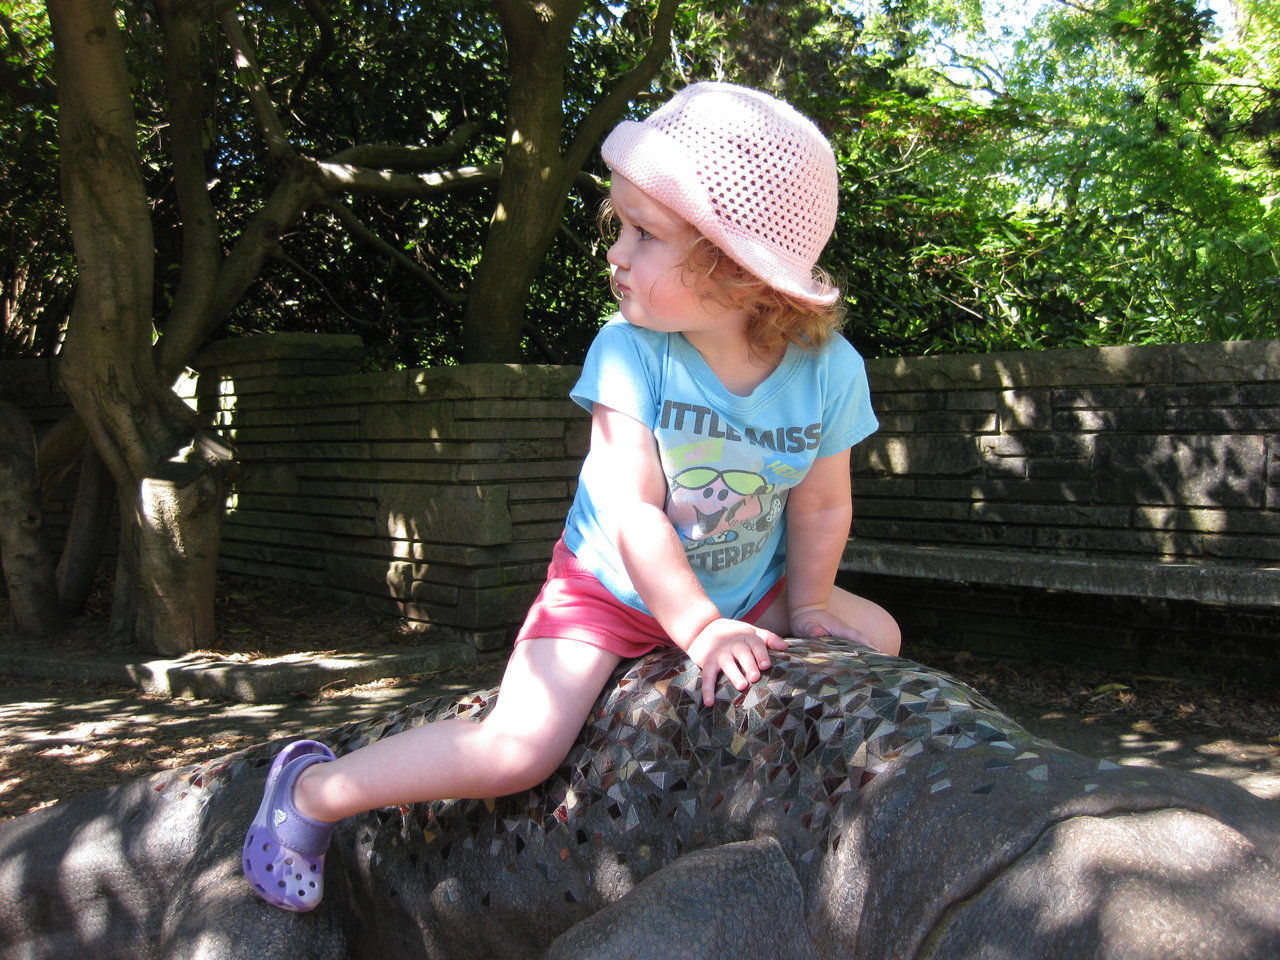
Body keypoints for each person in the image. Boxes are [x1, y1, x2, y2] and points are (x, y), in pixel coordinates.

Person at [242, 81, 901, 913]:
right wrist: (700, 629)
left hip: (748, 583)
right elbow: (632, 510)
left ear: (736, 269)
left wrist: (806, 606)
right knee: (517, 750)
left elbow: (821, 505)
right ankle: (311, 790)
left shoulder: (828, 370)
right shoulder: (631, 353)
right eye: (617, 225)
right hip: (610, 589)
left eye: (644, 233)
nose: (614, 253)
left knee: (876, 636)